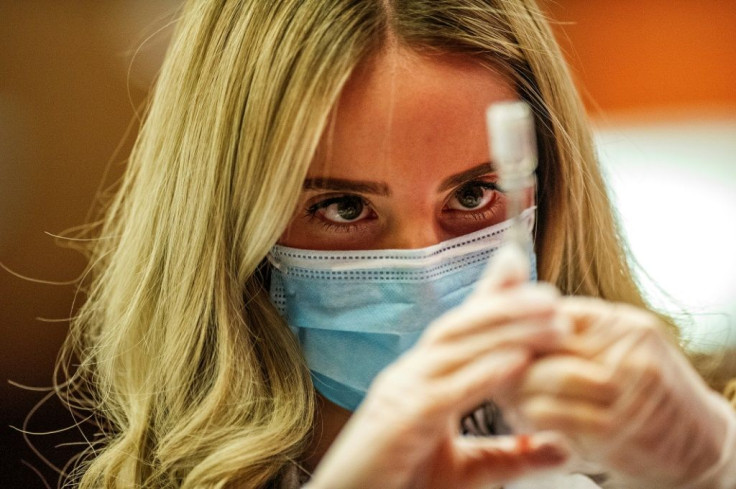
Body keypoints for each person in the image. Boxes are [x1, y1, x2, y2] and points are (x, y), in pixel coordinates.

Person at [56, 1, 736, 488]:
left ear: (548, 192)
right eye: (344, 207)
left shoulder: (664, 449)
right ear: (235, 232)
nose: (426, 271)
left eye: (472, 196)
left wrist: (713, 467)